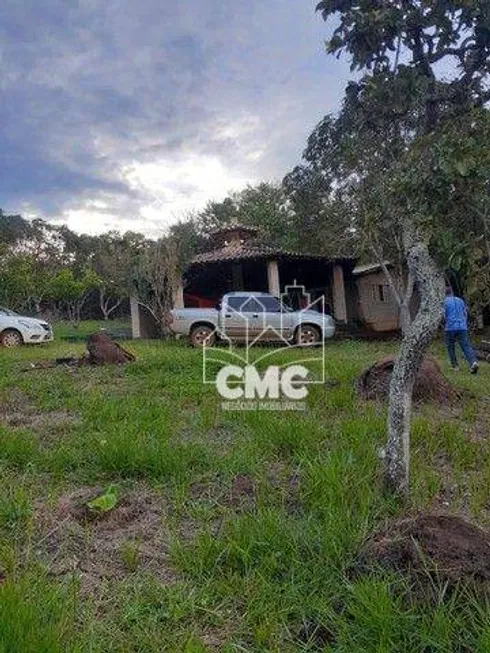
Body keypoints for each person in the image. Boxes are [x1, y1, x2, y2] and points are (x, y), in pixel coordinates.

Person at [443, 287, 479, 374]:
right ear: (452, 292)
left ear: (445, 293)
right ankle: (473, 362)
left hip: (450, 327)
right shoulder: (460, 300)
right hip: (462, 327)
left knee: (450, 347)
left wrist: (444, 322)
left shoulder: (444, 302)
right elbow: (465, 313)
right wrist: (463, 322)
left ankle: (455, 366)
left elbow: (443, 314)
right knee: (466, 346)